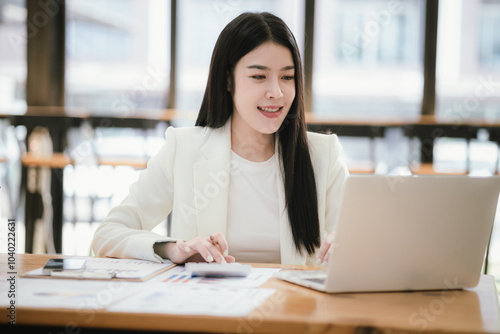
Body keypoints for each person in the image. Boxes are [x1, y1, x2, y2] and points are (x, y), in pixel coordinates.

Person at [92, 12, 348, 265]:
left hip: (294, 306)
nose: (276, 92)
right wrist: (173, 249)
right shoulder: (184, 148)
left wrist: (347, 249)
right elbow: (107, 234)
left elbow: (352, 246)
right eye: (259, 76)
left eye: (287, 77)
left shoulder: (323, 155)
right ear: (228, 80)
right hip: (209, 305)